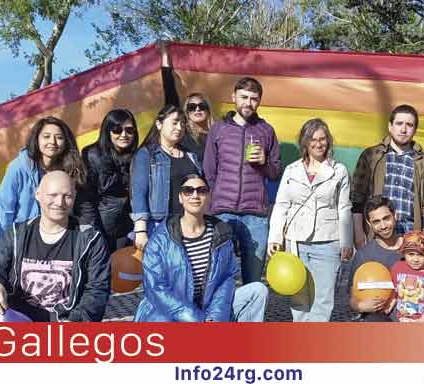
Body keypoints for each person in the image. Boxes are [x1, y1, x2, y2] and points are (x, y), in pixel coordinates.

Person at [0, 171, 110, 322]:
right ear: (38, 194)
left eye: (67, 196)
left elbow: (97, 290)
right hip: (17, 315)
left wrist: (75, 321)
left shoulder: (90, 239)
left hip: (62, 319)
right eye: (52, 195)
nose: (60, 202)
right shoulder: (17, 234)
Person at [134, 174, 269, 322]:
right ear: (180, 198)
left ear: (208, 197)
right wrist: (191, 317)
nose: (195, 195)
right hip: (172, 312)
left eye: (201, 190)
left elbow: (226, 280)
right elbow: (155, 287)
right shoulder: (161, 238)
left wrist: (215, 316)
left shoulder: (221, 234)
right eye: (188, 190)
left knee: (257, 291)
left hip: (209, 308)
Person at [267, 118, 352, 322]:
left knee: (323, 300)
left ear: (328, 141)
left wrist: (347, 241)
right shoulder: (291, 170)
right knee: (299, 298)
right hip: (296, 242)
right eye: (313, 139)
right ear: (304, 142)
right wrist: (275, 238)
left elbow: (344, 207)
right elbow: (281, 206)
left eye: (323, 139)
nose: (318, 144)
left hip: (328, 242)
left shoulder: (339, 171)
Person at [203, 77, 282, 284]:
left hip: (255, 215)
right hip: (222, 213)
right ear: (233, 97)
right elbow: (209, 172)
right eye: (243, 97)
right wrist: (212, 208)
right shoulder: (218, 129)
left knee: (254, 281)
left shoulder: (267, 131)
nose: (248, 103)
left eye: (254, 99)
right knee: (217, 278)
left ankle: (249, 317)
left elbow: (275, 172)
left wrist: (264, 162)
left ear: (260, 101)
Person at [350, 104, 424, 249]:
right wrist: (358, 232)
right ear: (390, 126)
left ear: (415, 130)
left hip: (409, 238)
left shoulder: (423, 162)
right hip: (376, 237)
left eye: (409, 125)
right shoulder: (372, 155)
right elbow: (357, 198)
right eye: (399, 123)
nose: (403, 129)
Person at [0, 116, 86, 241]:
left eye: (59, 137)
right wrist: (11, 239)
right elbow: (6, 207)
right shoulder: (19, 166)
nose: (52, 142)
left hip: (57, 234)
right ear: (37, 139)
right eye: (46, 136)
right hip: (20, 235)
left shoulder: (71, 168)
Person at [130, 105, 202, 251]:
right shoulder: (147, 154)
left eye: (183, 123)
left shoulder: (190, 155)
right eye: (174, 122)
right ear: (159, 124)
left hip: (190, 226)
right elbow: (138, 192)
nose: (179, 127)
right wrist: (141, 230)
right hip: (159, 226)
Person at [79, 109, 138, 254]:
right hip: (99, 228)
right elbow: (86, 198)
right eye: (117, 130)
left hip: (126, 230)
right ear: (108, 131)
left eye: (129, 130)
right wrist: (92, 231)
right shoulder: (92, 155)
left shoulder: (137, 157)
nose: (124, 135)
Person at [348, 196, 403, 322]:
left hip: (413, 317)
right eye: (376, 222)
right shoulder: (363, 256)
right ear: (369, 223)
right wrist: (361, 306)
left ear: (395, 216)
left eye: (386, 218)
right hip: (377, 319)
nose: (383, 226)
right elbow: (352, 299)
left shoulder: (413, 250)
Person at [159, 41, 213, 160]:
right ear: (186, 111)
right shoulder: (182, 132)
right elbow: (169, 91)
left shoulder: (217, 134)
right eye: (192, 107)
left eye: (201, 106)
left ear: (208, 110)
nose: (197, 109)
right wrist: (164, 55)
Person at [388, 231, 424, 322]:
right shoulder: (398, 267)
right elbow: (394, 291)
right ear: (404, 253)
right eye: (411, 254)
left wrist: (423, 319)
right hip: (401, 318)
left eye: (420, 255)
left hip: (422, 319)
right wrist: (389, 307)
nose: (415, 259)